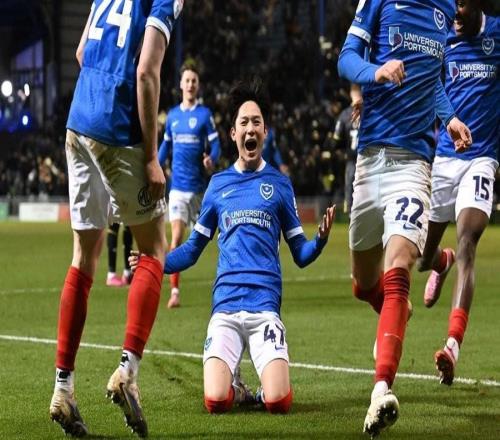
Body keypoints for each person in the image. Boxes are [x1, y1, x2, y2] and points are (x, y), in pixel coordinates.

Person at [133, 79, 335, 415]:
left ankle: (261, 388)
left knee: (278, 402)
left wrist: (321, 240)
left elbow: (300, 254)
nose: (250, 128)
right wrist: (154, 262)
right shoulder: (218, 185)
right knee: (216, 401)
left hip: (264, 306)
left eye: (257, 122)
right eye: (244, 122)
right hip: (225, 307)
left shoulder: (280, 185)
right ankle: (236, 387)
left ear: (265, 132)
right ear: (233, 133)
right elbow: (192, 249)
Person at [337, 0, 472, 437]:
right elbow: (346, 59)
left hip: (413, 165)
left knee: (398, 269)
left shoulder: (445, 8)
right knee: (363, 284)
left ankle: (381, 390)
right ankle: (397, 311)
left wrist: (450, 118)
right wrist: (375, 72)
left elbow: (432, 78)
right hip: (370, 160)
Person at [49, 1, 182, 437]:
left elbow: (82, 53)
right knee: (154, 249)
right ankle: (127, 372)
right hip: (115, 126)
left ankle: (63, 389)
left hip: (78, 121)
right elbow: (146, 71)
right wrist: (151, 157)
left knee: (82, 258)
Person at [417, 0, 499, 386]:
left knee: (468, 242)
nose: (455, 11)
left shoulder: (496, 33)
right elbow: (428, 85)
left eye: (462, 3)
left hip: (482, 159)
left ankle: (452, 345)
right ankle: (440, 261)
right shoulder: (441, 36)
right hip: (445, 160)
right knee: (421, 256)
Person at [158, 61, 220, 309]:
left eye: (194, 80)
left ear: (198, 85)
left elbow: (216, 145)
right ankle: (174, 292)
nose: (191, 84)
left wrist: (211, 159)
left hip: (200, 191)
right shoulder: (172, 116)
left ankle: (229, 285)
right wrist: (155, 167)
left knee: (214, 239)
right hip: (178, 189)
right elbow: (165, 147)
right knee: (176, 238)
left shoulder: (205, 115)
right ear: (181, 85)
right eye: (187, 80)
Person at [332, 84, 362, 215]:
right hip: (366, 156)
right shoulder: (370, 112)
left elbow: (336, 138)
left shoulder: (344, 114)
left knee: (350, 186)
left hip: (352, 158)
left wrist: (339, 151)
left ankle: (351, 213)